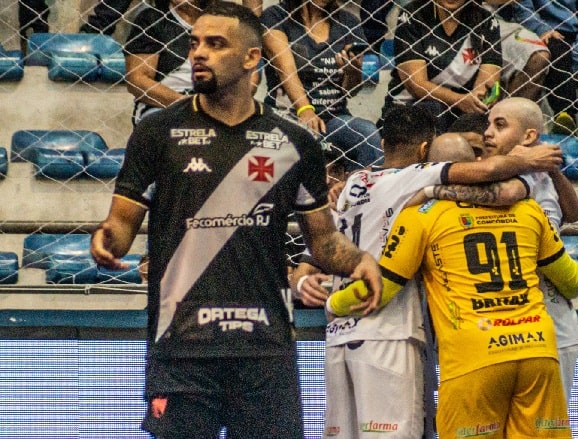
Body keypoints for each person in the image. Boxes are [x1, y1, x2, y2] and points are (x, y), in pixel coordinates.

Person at [90, 3, 382, 438]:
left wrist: (360, 260)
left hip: (266, 349)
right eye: (193, 44)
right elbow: (120, 226)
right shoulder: (156, 132)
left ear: (251, 59)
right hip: (181, 345)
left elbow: (324, 244)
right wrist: (105, 242)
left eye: (215, 44)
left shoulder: (294, 143)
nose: (198, 54)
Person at [294, 106, 564, 438]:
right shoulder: (417, 180)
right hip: (389, 330)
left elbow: (318, 249)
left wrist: (303, 280)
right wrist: (530, 162)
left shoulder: (353, 183)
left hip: (339, 337)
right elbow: (492, 175)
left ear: (382, 143)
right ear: (425, 152)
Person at [327, 184, 578, 439]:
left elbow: (382, 287)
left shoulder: (424, 214)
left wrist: (334, 304)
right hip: (537, 350)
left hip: (473, 358)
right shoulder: (528, 208)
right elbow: (574, 282)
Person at [480, 97, 578, 402]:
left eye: (499, 125)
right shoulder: (488, 171)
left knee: (549, 422)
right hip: (500, 320)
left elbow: (574, 213)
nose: (488, 133)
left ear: (529, 136)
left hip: (551, 319)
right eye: (489, 124)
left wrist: (551, 169)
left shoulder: (540, 175)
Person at [124, 0, 302, 125]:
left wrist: (220, 103)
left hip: (222, 99)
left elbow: (251, 75)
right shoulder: (151, 19)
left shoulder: (225, 21)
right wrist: (188, 103)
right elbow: (137, 80)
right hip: (166, 104)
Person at [261, 0, 382, 172]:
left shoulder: (347, 21)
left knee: (367, 133)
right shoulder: (275, 16)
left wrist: (352, 72)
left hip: (334, 117)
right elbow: (285, 69)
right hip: (286, 115)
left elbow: (351, 91)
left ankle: (360, 193)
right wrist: (305, 110)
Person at [502, 0, 578, 149]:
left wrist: (576, 58)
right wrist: (542, 30)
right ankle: (565, 118)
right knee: (556, 53)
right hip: (546, 32)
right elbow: (523, 11)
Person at [384, 0, 502, 133]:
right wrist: (459, 100)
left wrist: (479, 101)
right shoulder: (413, 14)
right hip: (413, 106)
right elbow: (416, 84)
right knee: (432, 109)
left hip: (465, 110)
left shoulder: (487, 21)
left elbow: (491, 84)